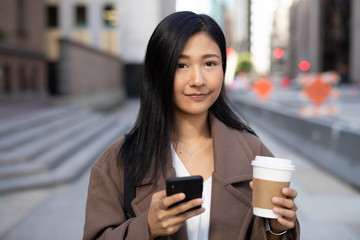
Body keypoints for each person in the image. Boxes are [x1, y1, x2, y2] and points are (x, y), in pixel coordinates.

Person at [83, 11, 300, 240]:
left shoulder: (255, 154)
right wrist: (146, 227)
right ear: (159, 72)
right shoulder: (117, 162)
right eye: (181, 65)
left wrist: (277, 229)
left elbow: (278, 232)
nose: (198, 80)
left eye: (209, 63)